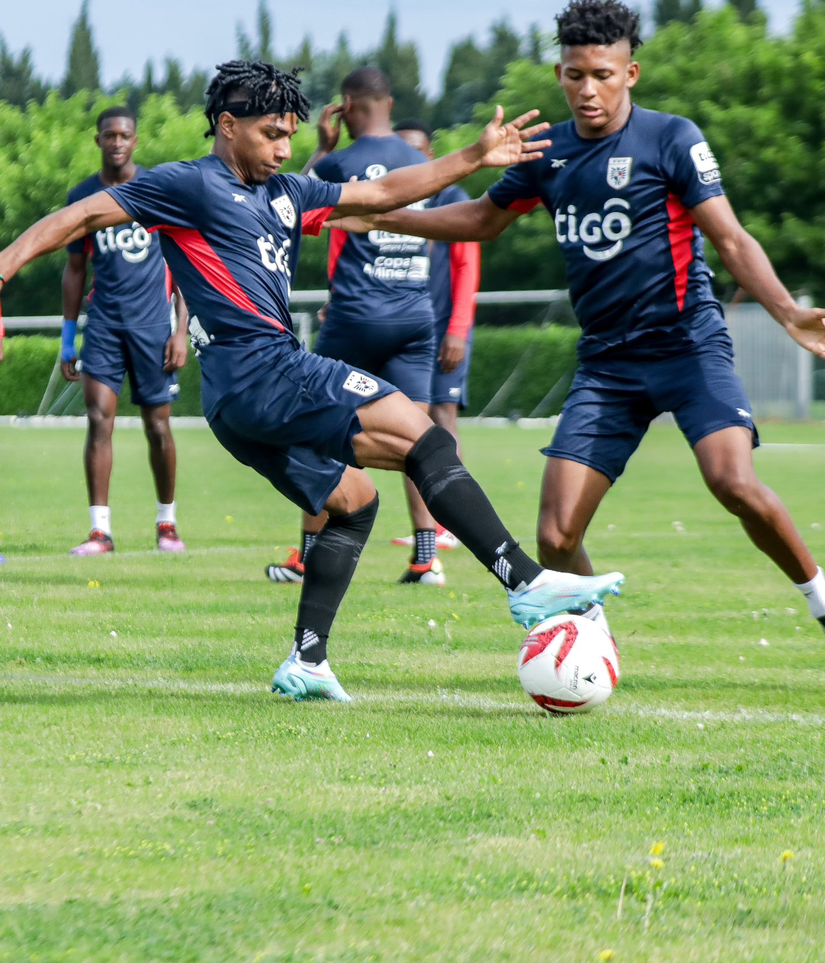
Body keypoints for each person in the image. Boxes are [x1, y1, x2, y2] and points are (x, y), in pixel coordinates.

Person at [0, 59, 624, 702]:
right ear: (226, 125)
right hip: (265, 370)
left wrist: (473, 155)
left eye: (290, 134)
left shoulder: (289, 194)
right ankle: (526, 584)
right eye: (271, 133)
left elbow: (382, 194)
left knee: (353, 504)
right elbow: (75, 219)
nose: (285, 148)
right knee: (427, 439)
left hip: (235, 406)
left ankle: (308, 660)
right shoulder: (189, 186)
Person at [353, 0, 825, 660]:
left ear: (630, 73)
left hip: (686, 343)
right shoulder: (545, 152)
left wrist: (786, 310)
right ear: (559, 73)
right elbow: (479, 220)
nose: (587, 90)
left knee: (731, 482)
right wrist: (386, 218)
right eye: (573, 74)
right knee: (556, 535)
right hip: (606, 364)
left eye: (602, 74)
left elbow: (730, 240)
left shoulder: (671, 138)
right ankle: (591, 644)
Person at [270, 68, 445, 587]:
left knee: (317, 428)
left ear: (345, 107)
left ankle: (305, 555)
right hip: (416, 315)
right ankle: (427, 557)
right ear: (388, 102)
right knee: (420, 437)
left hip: (357, 315)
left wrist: (321, 151)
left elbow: (284, 208)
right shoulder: (421, 163)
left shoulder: (342, 162)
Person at [61, 106, 189, 556]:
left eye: (124, 135)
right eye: (109, 135)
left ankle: (167, 524)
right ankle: (100, 532)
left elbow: (185, 260)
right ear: (98, 140)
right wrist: (66, 338)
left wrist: (181, 330)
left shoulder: (159, 189)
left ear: (135, 140)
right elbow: (75, 269)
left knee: (158, 427)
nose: (117, 142)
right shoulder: (82, 197)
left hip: (154, 328)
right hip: (104, 328)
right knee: (99, 421)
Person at [389, 119, 480, 553]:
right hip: (405, 333)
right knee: (412, 423)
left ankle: (453, 521)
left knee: (442, 418)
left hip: (445, 329)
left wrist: (458, 330)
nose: (410, 158)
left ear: (429, 155)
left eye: (417, 151)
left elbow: (466, 268)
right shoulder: (390, 199)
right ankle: (430, 524)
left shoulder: (450, 198)